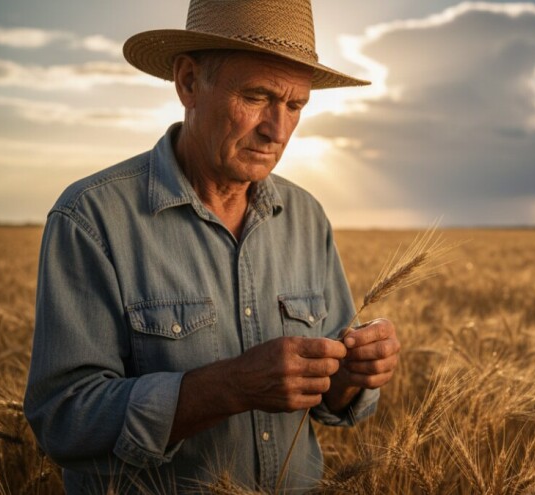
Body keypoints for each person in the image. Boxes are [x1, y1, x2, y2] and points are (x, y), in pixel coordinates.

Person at [23, 1, 401, 493]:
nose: (278, 129)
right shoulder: (92, 218)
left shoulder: (307, 216)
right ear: (187, 82)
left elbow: (330, 400)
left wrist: (352, 374)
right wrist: (229, 386)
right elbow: (63, 420)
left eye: (296, 106)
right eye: (257, 96)